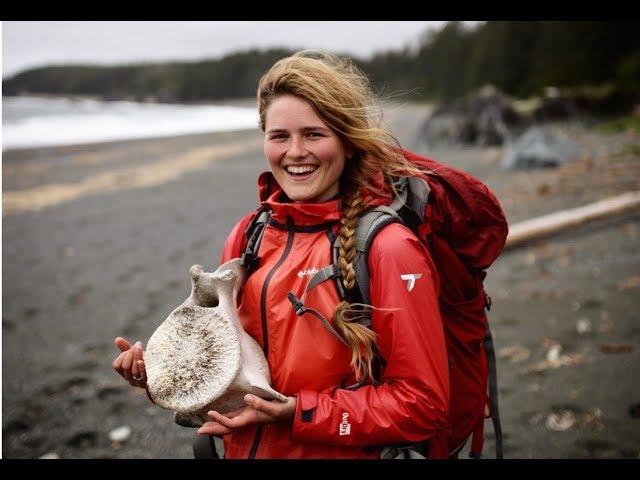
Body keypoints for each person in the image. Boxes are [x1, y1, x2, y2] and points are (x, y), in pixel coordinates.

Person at [113, 50, 450, 459]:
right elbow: (237, 379)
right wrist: (166, 377)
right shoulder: (248, 236)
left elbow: (423, 406)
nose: (295, 152)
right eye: (279, 136)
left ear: (347, 141)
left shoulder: (388, 248)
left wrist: (299, 414)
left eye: (314, 134)